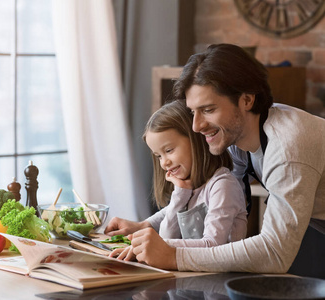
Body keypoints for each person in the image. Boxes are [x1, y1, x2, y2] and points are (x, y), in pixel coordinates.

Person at [108, 43, 325, 278]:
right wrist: (146, 226)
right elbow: (203, 198)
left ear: (247, 100)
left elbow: (274, 252)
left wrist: (173, 256)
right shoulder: (238, 139)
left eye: (208, 109)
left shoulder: (287, 150)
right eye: (193, 112)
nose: (196, 126)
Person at [106, 100, 247, 262]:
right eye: (159, 156)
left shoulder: (222, 185)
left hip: (219, 280)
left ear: (196, 140)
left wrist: (155, 245)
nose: (164, 162)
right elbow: (167, 230)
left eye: (169, 150)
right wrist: (180, 194)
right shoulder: (190, 188)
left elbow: (213, 245)